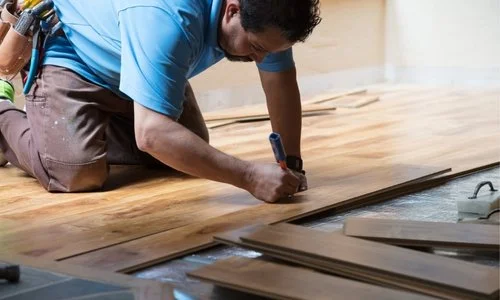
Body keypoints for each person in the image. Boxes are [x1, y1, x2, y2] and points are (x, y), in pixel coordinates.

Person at [0, 0, 321, 203]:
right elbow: (153, 134)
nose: (261, 58)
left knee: (182, 150)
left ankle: (90, 124)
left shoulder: (268, 14)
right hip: (75, 54)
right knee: (78, 174)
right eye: (255, 47)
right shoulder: (167, 16)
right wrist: (250, 177)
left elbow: (279, 81)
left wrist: (291, 162)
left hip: (133, 59)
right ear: (232, 10)